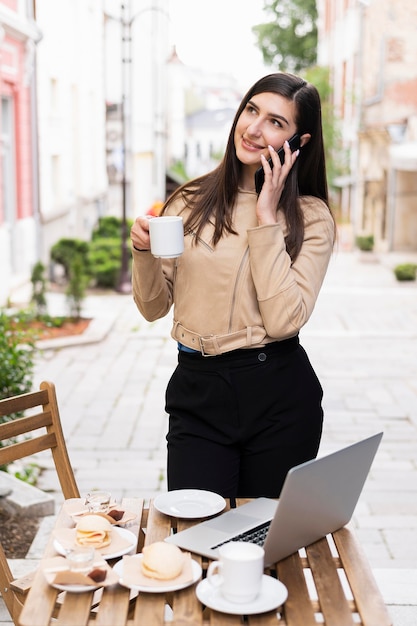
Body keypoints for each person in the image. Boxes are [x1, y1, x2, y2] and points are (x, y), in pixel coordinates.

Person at [130, 72, 336, 498]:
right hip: (197, 390)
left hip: (278, 392)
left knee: (263, 550)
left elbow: (283, 322)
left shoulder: (310, 217)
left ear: (299, 143)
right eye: (251, 110)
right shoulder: (188, 201)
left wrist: (267, 217)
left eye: (277, 123)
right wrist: (142, 253)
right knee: (197, 542)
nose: (255, 129)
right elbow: (153, 308)